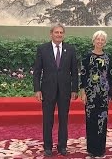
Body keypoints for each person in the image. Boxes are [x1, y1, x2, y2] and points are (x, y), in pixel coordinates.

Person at [33, 23, 78, 157]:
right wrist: (37, 89)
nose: (59, 35)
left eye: (61, 33)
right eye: (56, 32)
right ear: (51, 34)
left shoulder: (70, 49)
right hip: (47, 90)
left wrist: (74, 89)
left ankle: (62, 146)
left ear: (63, 35)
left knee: (64, 119)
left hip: (65, 90)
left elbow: (74, 72)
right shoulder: (42, 49)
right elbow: (37, 71)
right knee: (48, 119)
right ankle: (47, 147)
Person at [80, 30, 112, 158]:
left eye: (102, 40)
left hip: (103, 93)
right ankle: (92, 149)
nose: (100, 41)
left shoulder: (108, 57)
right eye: (98, 39)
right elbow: (83, 74)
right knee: (91, 120)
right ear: (93, 40)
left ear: (105, 42)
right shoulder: (87, 56)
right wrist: (83, 91)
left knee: (102, 120)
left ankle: (100, 149)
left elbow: (110, 74)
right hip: (90, 92)